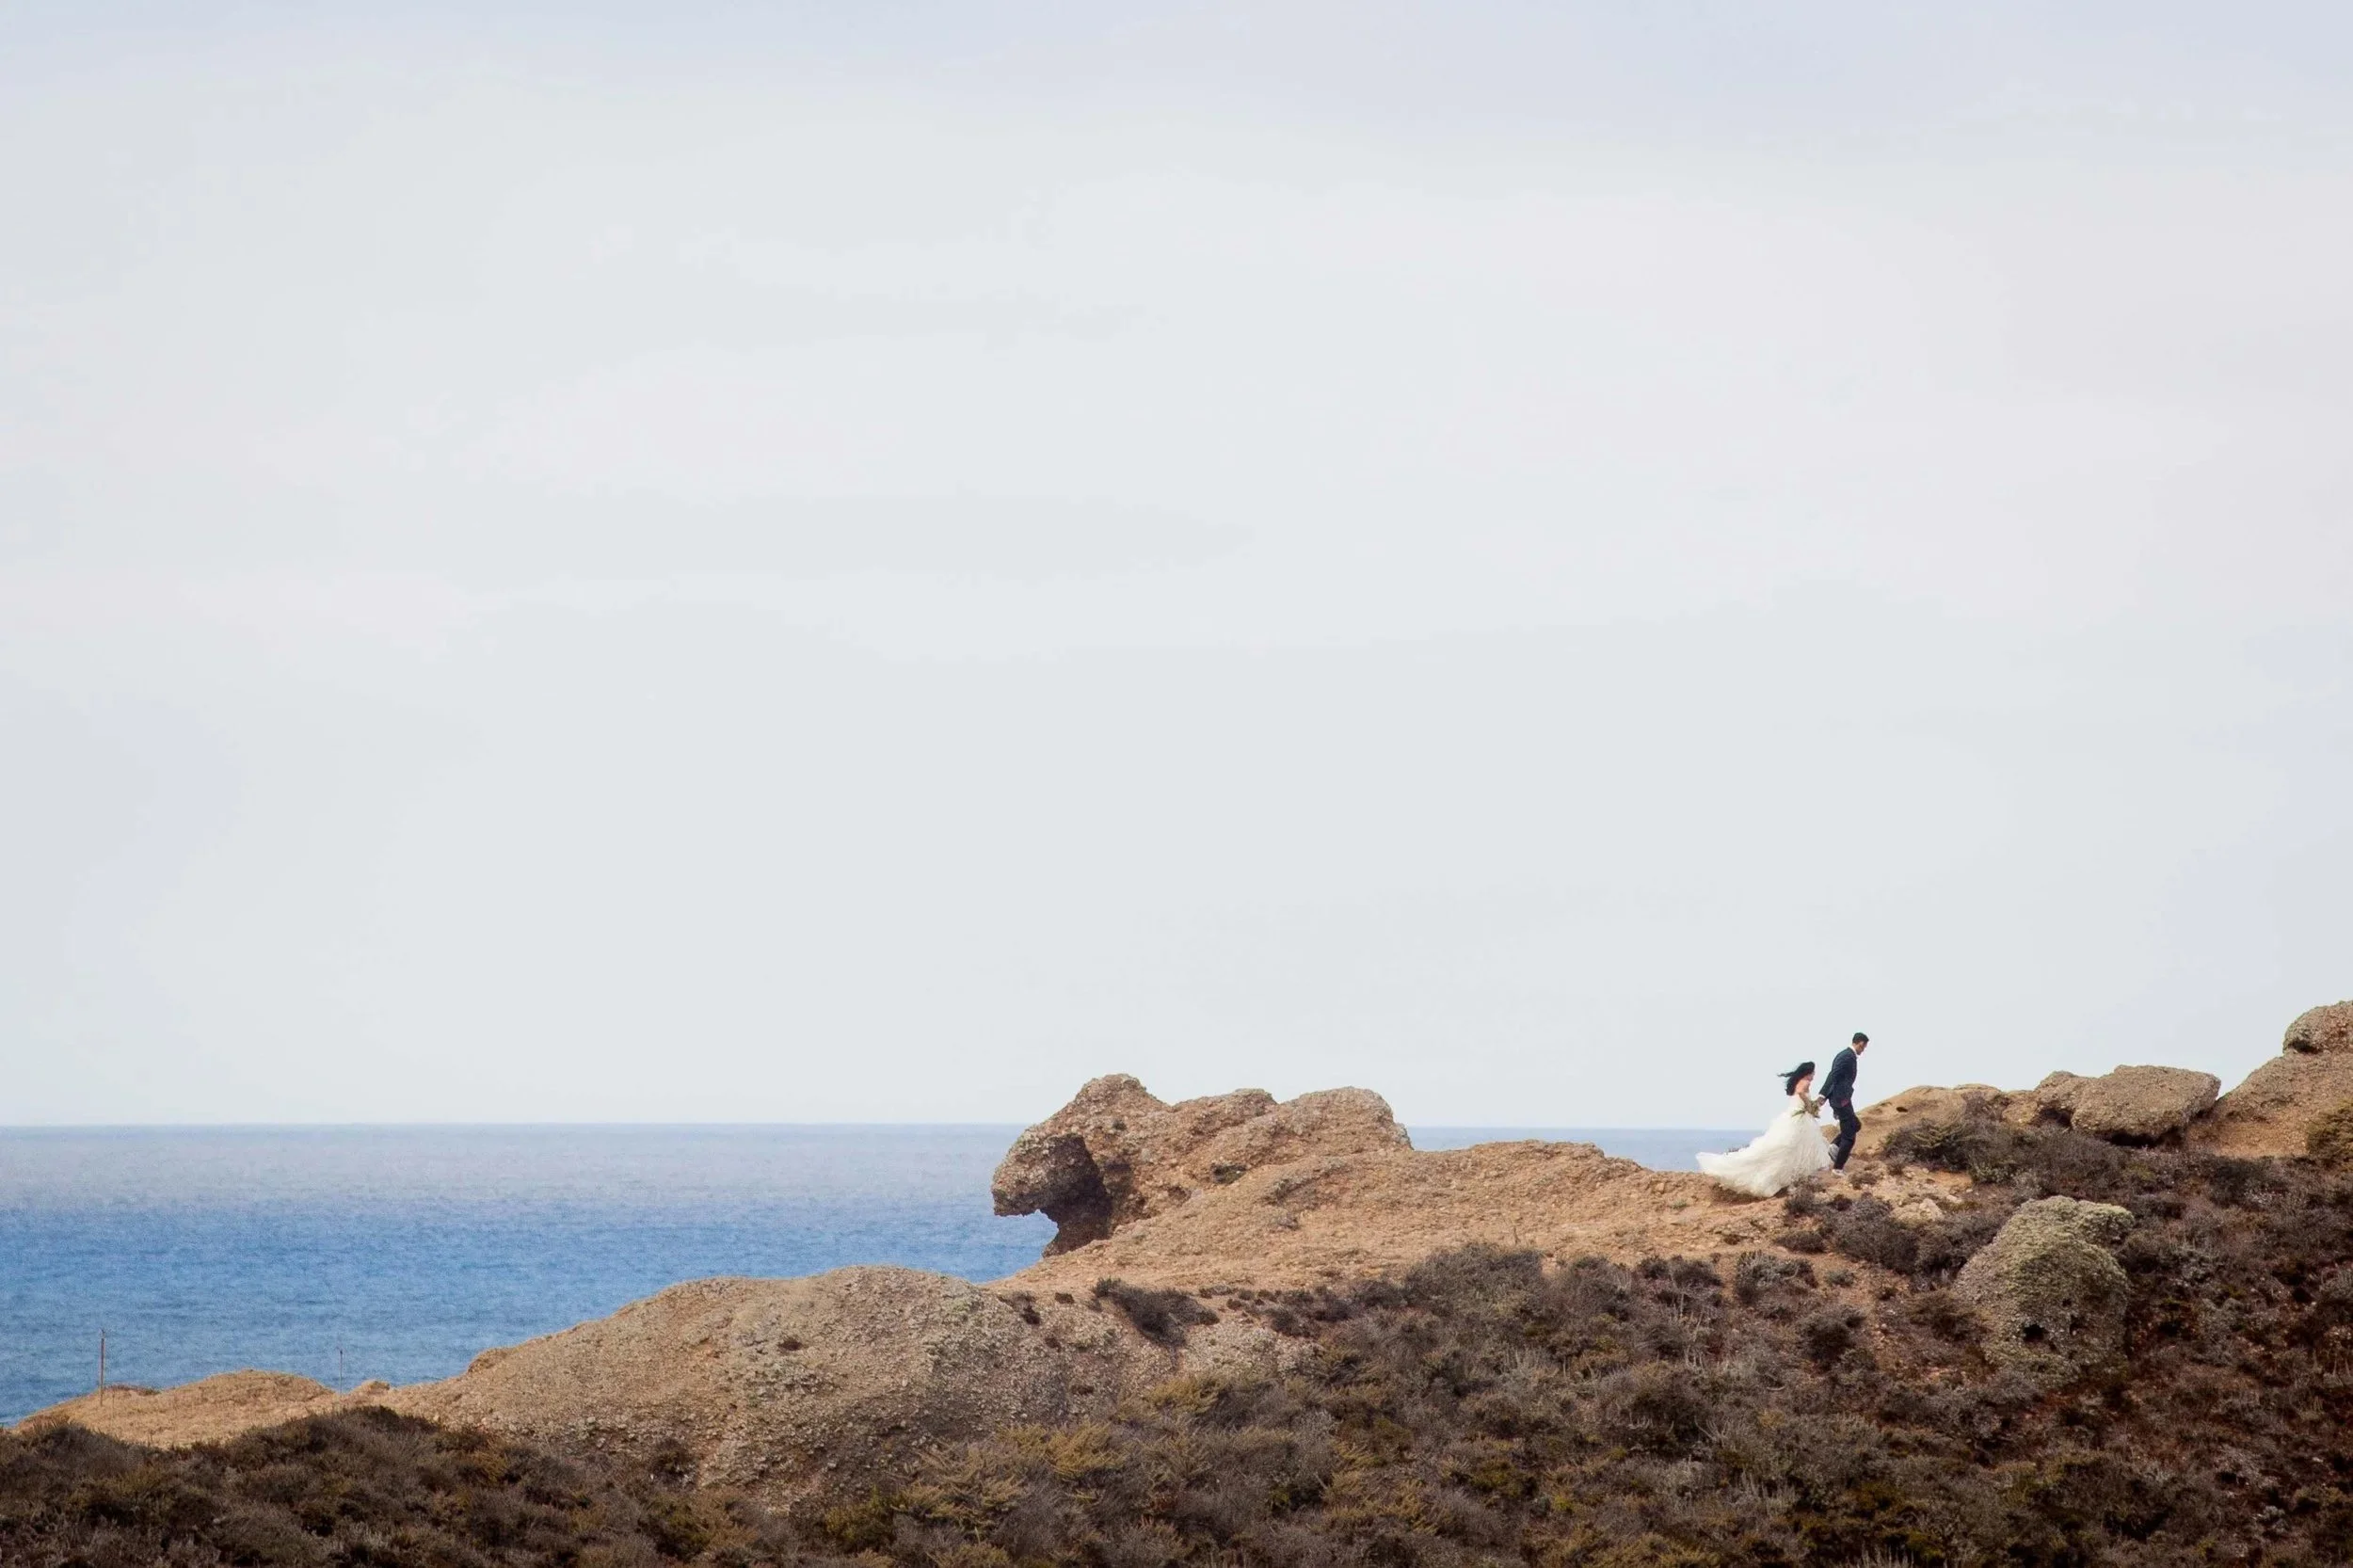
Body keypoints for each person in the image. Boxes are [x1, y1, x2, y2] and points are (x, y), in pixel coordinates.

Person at [1696, 1063, 1833, 1196]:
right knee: (1792, 1146)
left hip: (1794, 1116)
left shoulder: (1797, 1081)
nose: (1814, 1075)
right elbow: (1800, 1092)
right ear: (1809, 1072)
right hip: (1799, 1118)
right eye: (1813, 1072)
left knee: (1792, 1146)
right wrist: (1809, 1105)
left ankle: (1798, 1174)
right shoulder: (1805, 1083)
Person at [1819, 1032, 1868, 1171]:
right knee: (1849, 1137)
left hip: (1843, 1099)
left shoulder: (1848, 1055)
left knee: (1856, 1125)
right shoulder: (1847, 1056)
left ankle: (1834, 1146)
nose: (1863, 1051)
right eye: (1863, 1047)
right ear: (1860, 1043)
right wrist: (1823, 1094)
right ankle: (1838, 1168)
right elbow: (1833, 1074)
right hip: (1841, 1100)